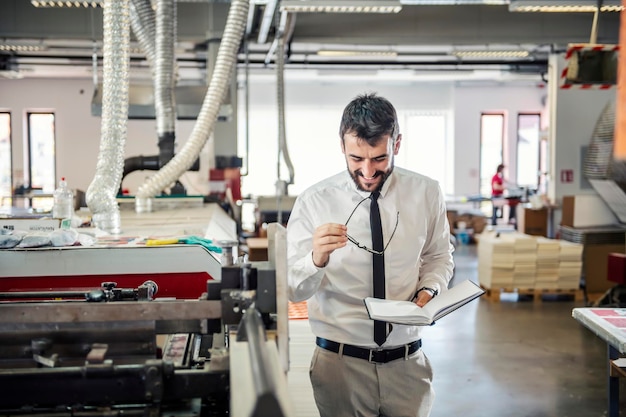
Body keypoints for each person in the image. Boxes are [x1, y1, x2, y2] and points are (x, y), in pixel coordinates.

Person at [287, 93, 455, 417]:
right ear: (342, 146)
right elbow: (294, 289)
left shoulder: (427, 193)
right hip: (340, 367)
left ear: (397, 143)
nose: (367, 171)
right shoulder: (313, 202)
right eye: (356, 159)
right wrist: (315, 259)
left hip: (408, 365)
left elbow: (438, 256)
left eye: (379, 158)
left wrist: (430, 289)